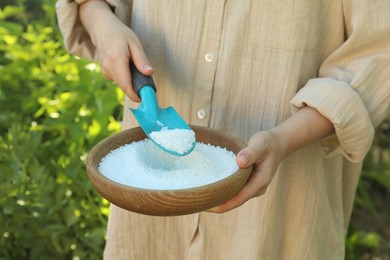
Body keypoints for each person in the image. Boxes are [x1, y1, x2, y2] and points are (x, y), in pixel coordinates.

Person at [56, 0, 390, 259]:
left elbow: (377, 53)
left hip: (283, 207)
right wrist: (105, 26)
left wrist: (283, 139)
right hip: (149, 206)